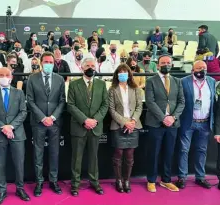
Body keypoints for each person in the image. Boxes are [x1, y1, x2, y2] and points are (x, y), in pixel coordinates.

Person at [0, 67, 30, 204]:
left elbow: (23, 112)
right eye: (1, 75)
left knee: (19, 163)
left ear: (11, 77)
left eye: (7, 75)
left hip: (17, 133)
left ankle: (20, 188)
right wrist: (3, 127)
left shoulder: (19, 93)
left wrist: (10, 126)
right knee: (0, 164)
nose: (4, 77)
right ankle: (2, 191)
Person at [67, 57, 109, 196]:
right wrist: (85, 120)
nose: (90, 68)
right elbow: (71, 105)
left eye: (93, 65)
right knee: (76, 158)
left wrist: (95, 120)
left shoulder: (102, 84)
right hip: (79, 127)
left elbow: (105, 105)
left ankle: (95, 182)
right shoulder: (73, 84)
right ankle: (75, 185)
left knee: (93, 157)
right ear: (82, 68)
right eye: (88, 66)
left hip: (95, 127)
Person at [26, 52, 66, 197]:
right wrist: (43, 117)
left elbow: (62, 101)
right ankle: (39, 181)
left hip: (55, 122)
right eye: (46, 61)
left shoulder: (60, 79)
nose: (48, 64)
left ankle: (54, 181)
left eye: (51, 62)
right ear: (41, 62)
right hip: (38, 122)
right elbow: (30, 100)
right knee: (38, 153)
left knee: (54, 152)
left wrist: (53, 117)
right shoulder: (32, 78)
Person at [145, 55, 185, 193]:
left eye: (168, 63)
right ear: (158, 65)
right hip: (156, 123)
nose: (166, 65)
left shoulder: (177, 81)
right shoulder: (150, 81)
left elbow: (181, 102)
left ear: (172, 65)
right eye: (163, 63)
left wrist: (173, 117)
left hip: (173, 124)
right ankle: (151, 180)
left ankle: (166, 180)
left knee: (169, 153)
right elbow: (150, 102)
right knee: (153, 153)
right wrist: (163, 118)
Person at [175, 61, 216, 190]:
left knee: (202, 151)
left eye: (204, 68)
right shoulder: (184, 81)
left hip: (205, 122)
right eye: (199, 68)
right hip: (188, 122)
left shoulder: (211, 81)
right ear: (193, 69)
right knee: (183, 150)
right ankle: (182, 177)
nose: (202, 70)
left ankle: (200, 177)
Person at [108, 64, 143, 193]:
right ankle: (118, 180)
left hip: (134, 125)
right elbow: (111, 110)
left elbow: (139, 107)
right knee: (118, 154)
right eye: (120, 72)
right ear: (117, 74)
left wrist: (132, 121)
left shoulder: (136, 89)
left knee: (129, 155)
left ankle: (126, 180)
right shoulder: (112, 89)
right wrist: (125, 123)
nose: (122, 74)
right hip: (118, 125)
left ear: (129, 74)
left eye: (125, 72)